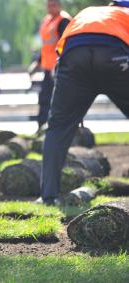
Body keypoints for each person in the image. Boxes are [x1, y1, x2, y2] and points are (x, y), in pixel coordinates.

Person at [39, 0, 129, 205]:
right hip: (114, 56)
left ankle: (48, 196)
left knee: (58, 127)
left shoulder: (87, 13)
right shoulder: (125, 14)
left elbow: (60, 51)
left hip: (74, 58)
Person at [29, 0, 71, 133]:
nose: (50, 7)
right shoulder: (47, 21)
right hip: (48, 68)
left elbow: (66, 45)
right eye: (48, 4)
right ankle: (42, 127)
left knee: (62, 99)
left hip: (60, 68)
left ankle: (63, 129)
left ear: (60, 5)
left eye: (53, 4)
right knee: (44, 98)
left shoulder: (63, 21)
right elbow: (46, 46)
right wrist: (38, 63)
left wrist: (60, 64)